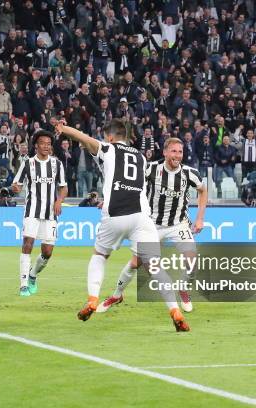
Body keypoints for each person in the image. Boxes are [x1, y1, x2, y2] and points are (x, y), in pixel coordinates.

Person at [57, 119, 190, 332]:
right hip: (141, 216)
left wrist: (64, 129)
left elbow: (82, 138)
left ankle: (92, 299)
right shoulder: (139, 156)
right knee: (154, 266)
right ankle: (174, 310)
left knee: (100, 255)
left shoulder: (108, 148)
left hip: (115, 213)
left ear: (110, 137)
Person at [97, 138, 207, 314]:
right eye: (173, 151)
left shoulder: (190, 173)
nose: (177, 155)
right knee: (135, 263)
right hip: (151, 225)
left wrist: (200, 218)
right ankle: (117, 295)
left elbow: (203, 190)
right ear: (164, 152)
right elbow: (128, 184)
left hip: (178, 224)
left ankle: (183, 289)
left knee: (192, 261)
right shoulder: (150, 169)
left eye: (180, 152)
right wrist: (109, 200)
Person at [11, 130, 68, 297]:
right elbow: (17, 185)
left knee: (47, 252)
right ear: (36, 145)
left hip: (51, 213)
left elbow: (63, 187)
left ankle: (33, 275)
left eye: (49, 144)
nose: (46, 146)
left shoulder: (57, 164)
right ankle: (23, 285)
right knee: (27, 243)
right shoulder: (28, 163)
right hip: (31, 211)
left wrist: (59, 201)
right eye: (43, 143)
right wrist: (15, 188)